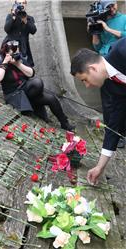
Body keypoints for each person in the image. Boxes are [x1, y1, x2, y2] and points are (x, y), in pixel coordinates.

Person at [70, 37, 126, 185]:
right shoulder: (108, 88)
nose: (87, 86)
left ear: (93, 68)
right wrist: (100, 167)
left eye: (85, 79)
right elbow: (112, 127)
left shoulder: (122, 49)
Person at [0, 40, 75, 131]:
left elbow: (31, 73)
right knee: (37, 83)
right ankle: (36, 107)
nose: (15, 54)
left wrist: (18, 64)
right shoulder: (1, 62)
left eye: (17, 51)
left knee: (51, 98)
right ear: (5, 52)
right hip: (14, 95)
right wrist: (5, 62)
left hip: (28, 91)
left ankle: (65, 123)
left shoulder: (19, 60)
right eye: (13, 52)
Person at [89, 0, 126, 148]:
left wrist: (107, 28)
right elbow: (97, 46)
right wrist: (94, 31)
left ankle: (122, 133)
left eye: (114, 4)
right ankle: (112, 133)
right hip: (104, 64)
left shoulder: (123, 19)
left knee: (121, 100)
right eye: (109, 6)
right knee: (107, 102)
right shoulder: (100, 19)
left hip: (120, 62)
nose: (113, 8)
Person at [0, 0, 36, 74]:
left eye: (23, 3)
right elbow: (6, 29)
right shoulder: (11, 16)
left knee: (23, 60)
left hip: (23, 45)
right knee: (2, 57)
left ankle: (23, 77)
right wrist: (13, 17)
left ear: (26, 4)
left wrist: (25, 21)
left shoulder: (30, 18)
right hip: (10, 43)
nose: (22, 5)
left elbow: (33, 31)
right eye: (19, 3)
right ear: (16, 4)